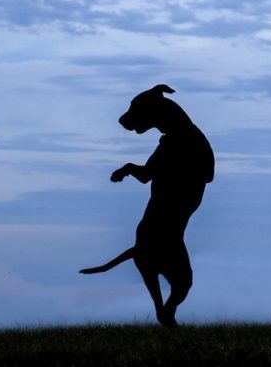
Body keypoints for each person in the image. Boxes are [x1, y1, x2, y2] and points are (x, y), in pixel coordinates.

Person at [79, 84, 214, 328]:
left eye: (136, 110)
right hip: (161, 233)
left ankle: (165, 314)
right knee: (182, 284)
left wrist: (136, 169)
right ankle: (166, 314)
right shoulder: (176, 143)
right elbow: (148, 175)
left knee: (181, 286)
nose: (125, 118)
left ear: (157, 110)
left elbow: (204, 174)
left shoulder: (182, 143)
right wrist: (129, 168)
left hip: (155, 233)